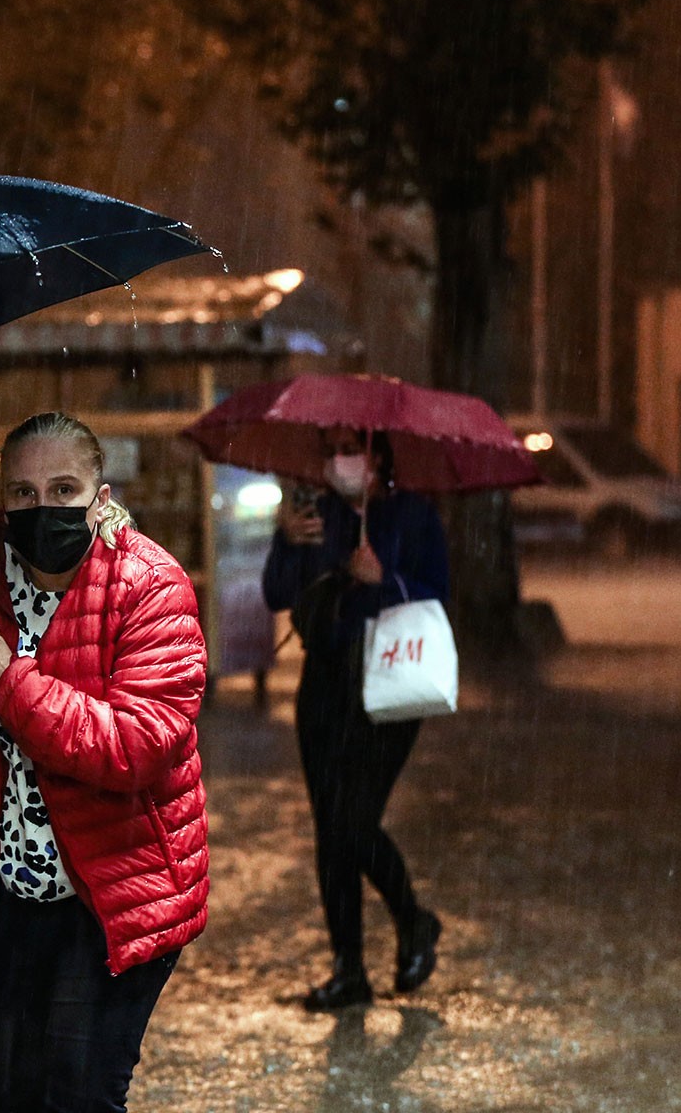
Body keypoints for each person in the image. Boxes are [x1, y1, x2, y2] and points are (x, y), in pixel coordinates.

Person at [0, 411, 209, 1113]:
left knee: (78, 1095)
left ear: (101, 497)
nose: (43, 509)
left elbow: (136, 746)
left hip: (111, 889)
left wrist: (9, 682)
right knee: (8, 1093)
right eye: (23, 493)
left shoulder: (152, 586)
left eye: (64, 488)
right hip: (3, 897)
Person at [262, 427, 448, 1011]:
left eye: (351, 447)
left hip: (389, 681)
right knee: (330, 830)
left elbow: (439, 596)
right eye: (332, 449)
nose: (339, 460)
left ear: (377, 456)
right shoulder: (312, 515)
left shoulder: (412, 514)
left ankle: (412, 919)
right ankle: (349, 967)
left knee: (353, 822)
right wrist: (285, 541)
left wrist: (386, 582)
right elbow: (275, 595)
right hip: (324, 683)